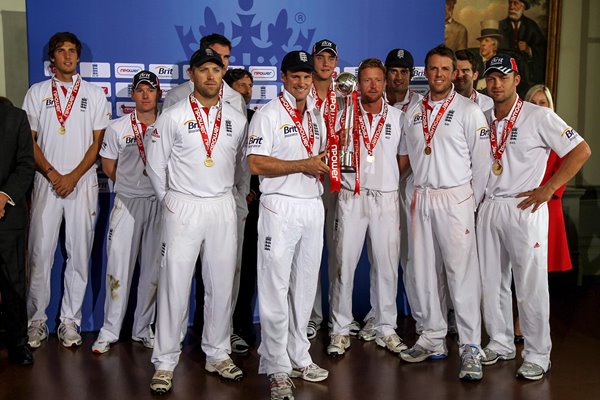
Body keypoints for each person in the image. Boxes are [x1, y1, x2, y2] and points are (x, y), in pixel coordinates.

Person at [479, 55, 590, 380]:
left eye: (503, 77)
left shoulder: (538, 116)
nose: (497, 83)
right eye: (492, 78)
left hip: (525, 206)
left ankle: (538, 354)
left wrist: (550, 187)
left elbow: (581, 149)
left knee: (530, 284)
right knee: (492, 282)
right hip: (490, 205)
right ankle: (500, 342)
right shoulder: (484, 118)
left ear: (516, 79)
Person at [146, 48, 248, 394]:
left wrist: (230, 199)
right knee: (174, 284)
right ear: (191, 74)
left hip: (220, 206)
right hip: (183, 207)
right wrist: (169, 201)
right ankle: (165, 360)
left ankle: (217, 352)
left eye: (215, 70)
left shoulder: (237, 118)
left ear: (223, 74)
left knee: (221, 284)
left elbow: (239, 167)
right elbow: (155, 164)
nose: (209, 76)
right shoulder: (172, 116)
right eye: (203, 70)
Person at [399, 45, 489, 381]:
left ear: (454, 73)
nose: (438, 75)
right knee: (423, 273)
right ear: (426, 71)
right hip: (422, 197)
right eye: (433, 69)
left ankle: (470, 347)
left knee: (460, 275)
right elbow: (407, 158)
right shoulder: (413, 111)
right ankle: (433, 337)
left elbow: (482, 167)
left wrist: (469, 202)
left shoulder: (469, 111)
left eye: (445, 69)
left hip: (455, 199)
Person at [247, 50, 329, 400]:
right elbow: (254, 163)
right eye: (295, 76)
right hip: (279, 207)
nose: (301, 82)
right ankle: (277, 366)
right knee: (275, 288)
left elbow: (320, 157)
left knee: (306, 287)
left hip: (312, 205)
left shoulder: (315, 115)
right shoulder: (267, 114)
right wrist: (302, 165)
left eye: (307, 77)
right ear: (283, 77)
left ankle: (299, 355)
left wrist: (323, 165)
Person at [23, 32, 109, 348]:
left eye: (73, 51)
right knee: (40, 255)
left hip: (82, 184)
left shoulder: (94, 94)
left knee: (79, 256)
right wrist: (52, 173)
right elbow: (29, 141)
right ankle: (36, 321)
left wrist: (72, 176)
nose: (68, 56)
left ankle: (69, 321)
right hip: (46, 182)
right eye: (62, 51)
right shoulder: (37, 92)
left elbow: (97, 143)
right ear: (53, 58)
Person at [327, 58, 406, 358]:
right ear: (357, 84)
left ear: (385, 83)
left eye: (377, 80)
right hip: (352, 195)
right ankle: (340, 329)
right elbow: (330, 155)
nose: (372, 85)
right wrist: (338, 141)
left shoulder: (398, 118)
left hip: (385, 198)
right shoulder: (343, 115)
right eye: (366, 80)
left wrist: (385, 177)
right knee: (344, 266)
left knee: (386, 266)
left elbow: (404, 158)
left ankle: (386, 327)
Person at [91, 71, 162, 354]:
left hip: (158, 203)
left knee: (153, 271)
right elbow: (108, 164)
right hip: (127, 203)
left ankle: (143, 328)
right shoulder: (118, 127)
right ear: (133, 94)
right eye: (140, 89)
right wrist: (128, 185)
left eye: (151, 89)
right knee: (118, 267)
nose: (145, 94)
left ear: (158, 94)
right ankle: (109, 330)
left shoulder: (167, 125)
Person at [305, 38, 357, 340]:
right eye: (321, 57)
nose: (326, 63)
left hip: (338, 177)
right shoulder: (302, 91)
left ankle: (340, 316)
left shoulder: (346, 94)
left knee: (338, 250)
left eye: (331, 58)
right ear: (313, 60)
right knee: (310, 249)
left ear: (336, 63)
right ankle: (312, 314)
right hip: (309, 177)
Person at [382, 48, 424, 339]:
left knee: (412, 257)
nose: (398, 77)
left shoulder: (419, 105)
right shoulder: (371, 99)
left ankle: (423, 319)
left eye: (404, 72)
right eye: (393, 71)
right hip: (377, 188)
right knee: (381, 255)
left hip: (407, 186)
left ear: (411, 75)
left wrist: (389, 175)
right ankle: (379, 316)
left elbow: (411, 151)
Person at [224, 67, 258, 352]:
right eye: (240, 85)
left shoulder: (256, 118)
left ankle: (241, 324)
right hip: (216, 201)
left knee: (244, 269)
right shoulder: (219, 118)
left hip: (249, 202)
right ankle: (214, 330)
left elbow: (256, 162)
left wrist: (249, 189)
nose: (245, 90)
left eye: (249, 86)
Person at [0, 99, 35, 365]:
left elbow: (25, 165)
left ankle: (18, 343)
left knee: (13, 282)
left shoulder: (15, 117)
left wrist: (3, 196)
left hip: (7, 215)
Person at [163, 33, 245, 113]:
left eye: (226, 57)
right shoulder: (176, 96)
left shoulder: (236, 98)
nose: (222, 62)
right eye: (217, 55)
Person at [499, 0, 546, 86]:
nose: (511, 7)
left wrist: (529, 49)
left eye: (515, 3)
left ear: (523, 6)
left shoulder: (531, 26)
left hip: (526, 77)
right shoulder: (501, 26)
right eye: (510, 3)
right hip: (505, 75)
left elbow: (542, 50)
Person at [475, 20, 502, 92]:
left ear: (494, 46)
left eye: (486, 40)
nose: (482, 44)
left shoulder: (501, 64)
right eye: (481, 41)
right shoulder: (475, 63)